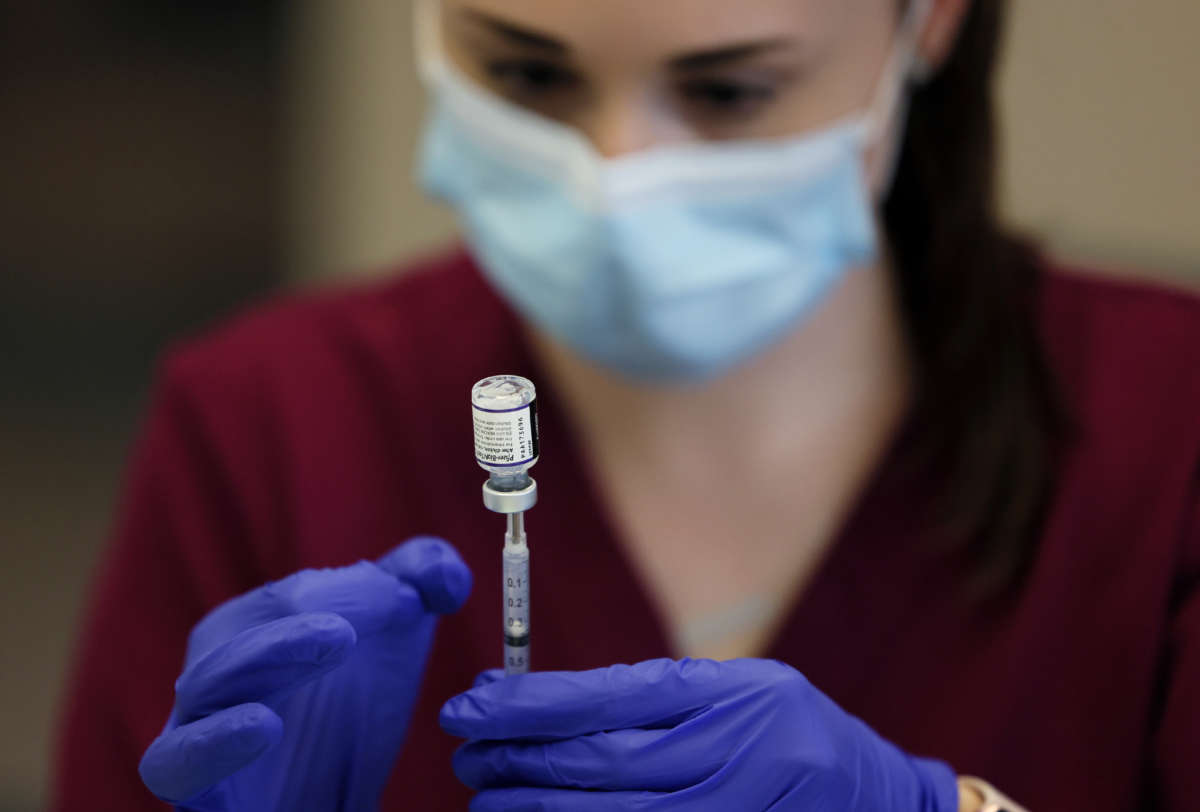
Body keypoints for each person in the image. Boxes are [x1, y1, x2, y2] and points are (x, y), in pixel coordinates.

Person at [52, 0, 1200, 809]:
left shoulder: (1170, 425)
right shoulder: (266, 421)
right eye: (527, 73)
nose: (613, 172)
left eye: (729, 90)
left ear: (931, 17)